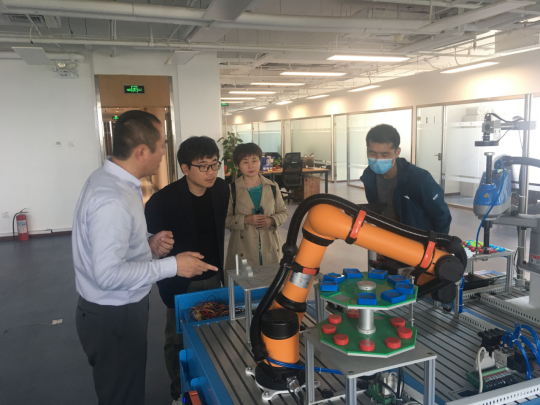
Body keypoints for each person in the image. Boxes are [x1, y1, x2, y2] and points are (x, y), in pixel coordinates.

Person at [72, 111, 217, 405]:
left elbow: (113, 247)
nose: (164, 153)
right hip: (114, 315)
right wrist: (173, 265)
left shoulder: (112, 182)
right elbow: (108, 274)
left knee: (126, 389)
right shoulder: (112, 198)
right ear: (141, 152)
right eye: (161, 145)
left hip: (118, 310)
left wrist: (148, 245)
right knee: (123, 396)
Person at [144, 136, 229, 405]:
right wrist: (155, 243)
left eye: (214, 164)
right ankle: (179, 391)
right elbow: (148, 242)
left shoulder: (221, 189)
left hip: (213, 276)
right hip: (180, 281)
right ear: (185, 168)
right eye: (203, 166)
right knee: (178, 338)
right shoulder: (162, 201)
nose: (211, 172)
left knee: (214, 331)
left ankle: (210, 385)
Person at [360, 124, 451, 233]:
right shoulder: (369, 176)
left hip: (415, 241)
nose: (377, 159)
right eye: (372, 153)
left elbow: (441, 216)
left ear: (397, 153)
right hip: (385, 237)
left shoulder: (420, 179)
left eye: (385, 155)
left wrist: (436, 242)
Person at [225, 143, 288, 271]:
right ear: (238, 165)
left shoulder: (272, 186)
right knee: (245, 281)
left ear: (260, 161)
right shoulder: (232, 190)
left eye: (254, 160)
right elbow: (225, 220)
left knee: (271, 279)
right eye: (245, 162)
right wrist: (246, 220)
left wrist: (272, 220)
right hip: (243, 247)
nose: (250, 166)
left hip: (270, 245)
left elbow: (283, 212)